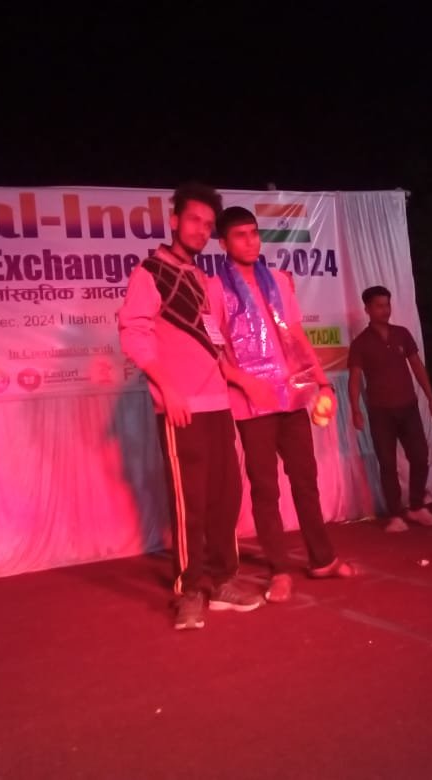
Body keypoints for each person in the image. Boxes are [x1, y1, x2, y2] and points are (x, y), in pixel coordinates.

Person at [118, 183, 263, 630]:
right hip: (182, 407)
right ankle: (190, 591)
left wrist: (240, 379)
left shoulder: (201, 280)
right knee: (191, 505)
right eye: (194, 220)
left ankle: (222, 581)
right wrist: (168, 389)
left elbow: (212, 342)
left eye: (208, 224)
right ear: (175, 220)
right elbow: (134, 334)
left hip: (218, 405)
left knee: (225, 499)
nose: (201, 230)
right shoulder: (150, 273)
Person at [208, 206, 357, 603]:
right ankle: (279, 570)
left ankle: (322, 559)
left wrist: (322, 384)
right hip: (251, 402)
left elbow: (296, 336)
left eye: (254, 233)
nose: (250, 241)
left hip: (291, 396)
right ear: (223, 243)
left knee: (305, 480)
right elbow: (212, 350)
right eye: (240, 235)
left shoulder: (277, 281)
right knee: (265, 489)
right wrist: (246, 383)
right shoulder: (214, 289)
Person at [347, 286, 432, 532]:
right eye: (379, 306)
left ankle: (417, 506)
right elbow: (354, 379)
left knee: (420, 456)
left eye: (387, 305)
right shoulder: (361, 343)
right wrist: (355, 409)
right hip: (381, 412)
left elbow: (417, 367)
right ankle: (396, 515)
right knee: (387, 464)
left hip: (408, 407)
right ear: (367, 309)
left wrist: (431, 398)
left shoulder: (402, 334)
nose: (385, 310)